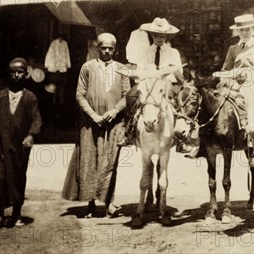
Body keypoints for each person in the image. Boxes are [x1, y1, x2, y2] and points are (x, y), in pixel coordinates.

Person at [62, 33, 130, 218]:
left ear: (115, 49)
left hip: (114, 123)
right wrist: (93, 115)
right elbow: (79, 95)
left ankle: (109, 203)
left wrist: (114, 111)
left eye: (110, 48)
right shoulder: (87, 68)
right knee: (89, 160)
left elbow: (127, 95)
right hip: (90, 123)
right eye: (103, 48)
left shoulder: (122, 69)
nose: (107, 51)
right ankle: (91, 203)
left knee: (110, 162)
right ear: (97, 49)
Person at [118, 17, 183, 147]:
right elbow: (140, 73)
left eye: (162, 36)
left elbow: (179, 74)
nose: (159, 39)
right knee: (131, 95)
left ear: (166, 36)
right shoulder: (145, 52)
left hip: (166, 83)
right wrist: (146, 77)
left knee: (176, 98)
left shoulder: (173, 52)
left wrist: (167, 73)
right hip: (148, 82)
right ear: (152, 35)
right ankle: (129, 130)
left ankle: (180, 134)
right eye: (156, 36)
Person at [0, 57, 42, 228]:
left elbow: (36, 119)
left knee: (18, 177)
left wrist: (31, 135)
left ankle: (16, 213)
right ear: (8, 73)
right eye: (13, 72)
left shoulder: (30, 97)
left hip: (20, 145)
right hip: (2, 144)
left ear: (26, 74)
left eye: (20, 72)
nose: (16, 75)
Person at [220, 14, 254, 140]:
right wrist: (227, 81)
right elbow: (225, 70)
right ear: (237, 31)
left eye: (247, 29)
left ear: (253, 29)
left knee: (250, 95)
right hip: (234, 85)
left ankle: (249, 126)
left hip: (253, 84)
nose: (245, 33)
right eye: (241, 30)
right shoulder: (233, 49)